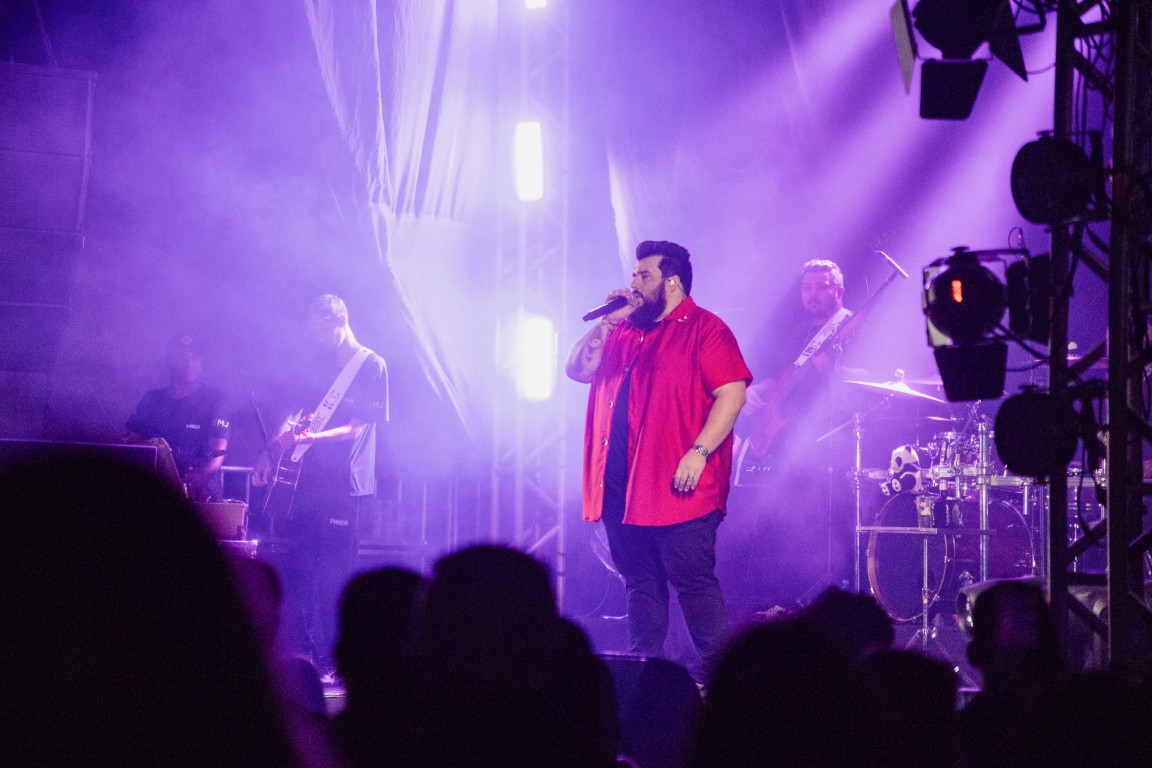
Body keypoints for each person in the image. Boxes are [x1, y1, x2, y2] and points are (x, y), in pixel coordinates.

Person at [565, 240, 751, 677]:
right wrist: (606, 323)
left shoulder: (705, 328)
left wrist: (699, 452)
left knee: (692, 579)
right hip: (620, 482)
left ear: (672, 282)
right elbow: (578, 369)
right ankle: (644, 674)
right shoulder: (623, 330)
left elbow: (732, 393)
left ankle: (724, 680)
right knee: (640, 580)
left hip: (677, 482)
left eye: (643, 275)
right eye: (633, 274)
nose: (633, 283)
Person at [253, 294, 389, 677]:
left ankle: (334, 659)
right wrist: (270, 450)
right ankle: (301, 654)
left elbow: (355, 428)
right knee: (299, 569)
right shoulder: (319, 364)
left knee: (334, 576)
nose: (319, 338)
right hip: (307, 484)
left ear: (342, 320)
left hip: (346, 487)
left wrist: (312, 438)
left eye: (324, 330)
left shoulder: (372, 366)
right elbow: (295, 414)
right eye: (314, 331)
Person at [728, 259, 865, 607]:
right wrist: (754, 393)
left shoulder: (851, 327)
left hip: (825, 445)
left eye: (821, 286)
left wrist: (834, 372)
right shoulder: (800, 331)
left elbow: (866, 379)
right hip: (780, 440)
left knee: (812, 529)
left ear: (839, 290)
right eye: (807, 287)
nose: (813, 294)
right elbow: (778, 378)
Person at [124, 333, 231, 500]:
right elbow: (130, 442)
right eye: (182, 357)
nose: (190, 362)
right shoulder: (152, 399)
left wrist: (201, 478)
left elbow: (218, 447)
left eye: (195, 357)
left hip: (202, 495)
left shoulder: (215, 399)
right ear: (169, 362)